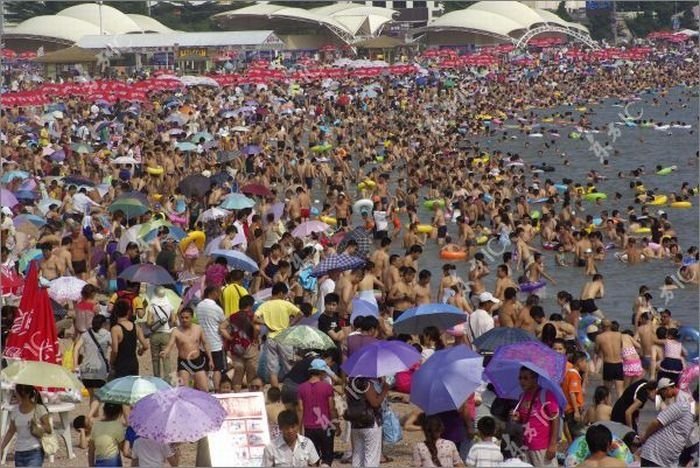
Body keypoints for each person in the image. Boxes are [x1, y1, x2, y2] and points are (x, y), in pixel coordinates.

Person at [254, 283, 301, 388]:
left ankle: (275, 393)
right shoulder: (286, 304)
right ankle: (292, 390)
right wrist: (291, 324)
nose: (285, 296)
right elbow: (300, 314)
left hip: (271, 338)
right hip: (284, 338)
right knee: (289, 366)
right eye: (285, 294)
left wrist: (266, 323)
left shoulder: (264, 305)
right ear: (280, 293)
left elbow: (254, 318)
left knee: (272, 369)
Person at [511, 367, 560, 467]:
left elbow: (555, 419)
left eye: (525, 378)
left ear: (535, 378)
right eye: (520, 378)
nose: (522, 381)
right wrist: (518, 418)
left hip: (542, 448)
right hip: (526, 447)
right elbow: (524, 420)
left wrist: (552, 444)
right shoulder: (522, 396)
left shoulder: (546, 395)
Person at [161, 307, 214, 392]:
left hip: (198, 361)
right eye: (182, 318)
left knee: (204, 389)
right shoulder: (176, 331)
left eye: (186, 318)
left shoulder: (198, 329)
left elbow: (205, 344)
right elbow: (170, 344)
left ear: (191, 318)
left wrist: (210, 359)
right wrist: (166, 351)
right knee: (184, 390)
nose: (184, 320)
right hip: (184, 363)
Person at [297, 359, 338, 467]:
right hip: (325, 426)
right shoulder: (327, 387)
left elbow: (300, 409)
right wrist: (336, 425)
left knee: (312, 459)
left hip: (309, 428)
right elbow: (332, 408)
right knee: (327, 458)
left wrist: (299, 429)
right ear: (321, 372)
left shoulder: (301, 388)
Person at [0, 384, 52, 467]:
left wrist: (37, 425)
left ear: (24, 393)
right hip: (19, 452)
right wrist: (2, 447)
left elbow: (49, 429)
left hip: (35, 451)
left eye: (16, 392)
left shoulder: (39, 409)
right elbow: (11, 431)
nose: (15, 394)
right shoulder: (15, 410)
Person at [639, 393, 696, 467]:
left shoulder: (694, 418)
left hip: (669, 462)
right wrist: (644, 437)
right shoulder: (683, 407)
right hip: (653, 457)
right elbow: (656, 423)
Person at [345, 376, 388, 467]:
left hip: (355, 422)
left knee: (357, 455)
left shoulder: (350, 384)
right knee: (371, 456)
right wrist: (385, 389)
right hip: (370, 422)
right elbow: (375, 403)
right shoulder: (366, 383)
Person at [220, 295, 259, 392]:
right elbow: (257, 328)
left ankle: (237, 394)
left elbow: (221, 327)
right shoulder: (252, 315)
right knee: (251, 374)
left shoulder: (232, 316)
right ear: (249, 305)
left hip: (236, 348)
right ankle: (251, 395)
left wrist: (229, 338)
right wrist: (255, 338)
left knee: (238, 374)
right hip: (250, 348)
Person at [195, 286, 227, 391]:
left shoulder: (199, 306)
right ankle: (217, 389)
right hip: (216, 342)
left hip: (202, 344)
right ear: (212, 293)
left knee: (204, 368)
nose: (218, 295)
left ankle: (204, 390)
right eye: (217, 293)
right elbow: (224, 323)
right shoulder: (217, 309)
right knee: (217, 368)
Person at [75, 315, 112, 402]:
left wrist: (75, 364)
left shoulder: (85, 334)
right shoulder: (107, 335)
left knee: (92, 395)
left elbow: (76, 348)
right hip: (100, 369)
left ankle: (94, 414)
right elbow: (115, 349)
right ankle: (92, 414)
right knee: (97, 396)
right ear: (103, 324)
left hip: (86, 369)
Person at [110, 299, 149, 378]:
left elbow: (115, 350)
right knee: (132, 388)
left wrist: (111, 362)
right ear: (128, 312)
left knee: (120, 389)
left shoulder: (115, 329)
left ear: (115, 312)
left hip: (121, 364)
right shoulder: (136, 327)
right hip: (133, 363)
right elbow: (146, 345)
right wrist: (140, 351)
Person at [147, 286, 176, 382]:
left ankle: (157, 379)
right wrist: (166, 323)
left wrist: (156, 323)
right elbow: (174, 321)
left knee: (155, 359)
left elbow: (148, 322)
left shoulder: (152, 306)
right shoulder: (170, 305)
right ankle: (167, 379)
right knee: (166, 357)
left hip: (155, 334)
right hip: (166, 334)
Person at [595, 320, 624, 399]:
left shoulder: (599, 337)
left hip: (608, 365)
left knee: (607, 391)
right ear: (611, 325)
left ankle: (608, 408)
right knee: (620, 391)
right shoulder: (619, 335)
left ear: (601, 326)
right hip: (619, 364)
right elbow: (622, 346)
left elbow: (597, 351)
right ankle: (621, 409)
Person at [564, 351, 587, 439]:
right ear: (579, 362)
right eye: (585, 362)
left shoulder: (569, 373)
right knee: (578, 435)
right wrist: (576, 411)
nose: (586, 365)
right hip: (572, 409)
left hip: (570, 409)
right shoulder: (574, 375)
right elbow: (572, 393)